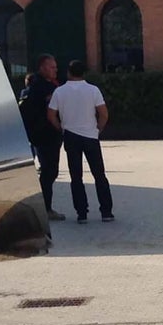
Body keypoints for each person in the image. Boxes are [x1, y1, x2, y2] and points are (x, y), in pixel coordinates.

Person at [48, 58, 113, 223]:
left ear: (68, 73)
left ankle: (82, 213)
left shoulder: (59, 91)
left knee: (76, 176)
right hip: (90, 135)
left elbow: (51, 115)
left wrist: (61, 127)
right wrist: (98, 128)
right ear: (84, 73)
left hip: (70, 135)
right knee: (99, 174)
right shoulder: (93, 90)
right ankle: (106, 211)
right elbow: (104, 113)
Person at [17, 55, 66, 221]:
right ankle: (44, 209)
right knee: (48, 172)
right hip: (45, 134)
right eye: (52, 67)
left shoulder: (47, 85)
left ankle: (43, 207)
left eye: (55, 67)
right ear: (43, 68)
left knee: (49, 171)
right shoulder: (40, 87)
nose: (55, 70)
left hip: (46, 135)